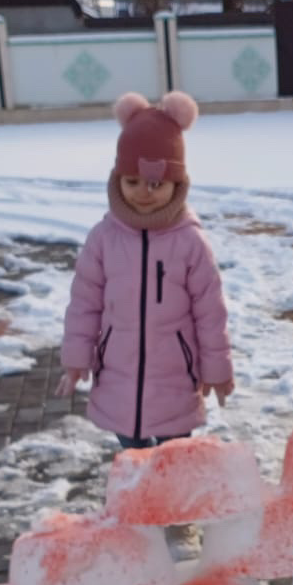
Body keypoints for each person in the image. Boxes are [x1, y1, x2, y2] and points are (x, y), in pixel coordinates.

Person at [55, 90, 233, 451]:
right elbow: (84, 304)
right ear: (117, 178)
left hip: (175, 378)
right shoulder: (104, 238)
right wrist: (76, 358)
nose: (142, 193)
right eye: (132, 181)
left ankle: (170, 485)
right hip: (118, 375)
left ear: (176, 184)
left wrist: (217, 370)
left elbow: (210, 313)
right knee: (133, 455)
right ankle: (138, 484)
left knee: (172, 458)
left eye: (155, 184)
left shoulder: (190, 242)